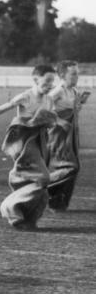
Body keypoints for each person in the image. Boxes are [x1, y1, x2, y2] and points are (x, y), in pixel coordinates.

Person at [0, 64, 57, 230]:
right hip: (23, 143)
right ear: (36, 79)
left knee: (40, 186)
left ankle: (27, 218)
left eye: (52, 82)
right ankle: (9, 206)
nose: (50, 85)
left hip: (40, 141)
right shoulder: (25, 96)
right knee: (44, 178)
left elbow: (50, 120)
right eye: (47, 81)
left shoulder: (49, 100)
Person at [46, 60, 89, 211]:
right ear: (63, 75)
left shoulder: (75, 91)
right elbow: (44, 109)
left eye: (78, 73)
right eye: (74, 73)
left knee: (73, 167)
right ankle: (43, 187)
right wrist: (59, 120)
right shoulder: (57, 91)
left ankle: (59, 201)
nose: (77, 76)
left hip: (71, 135)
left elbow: (73, 112)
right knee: (71, 167)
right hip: (58, 137)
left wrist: (80, 104)